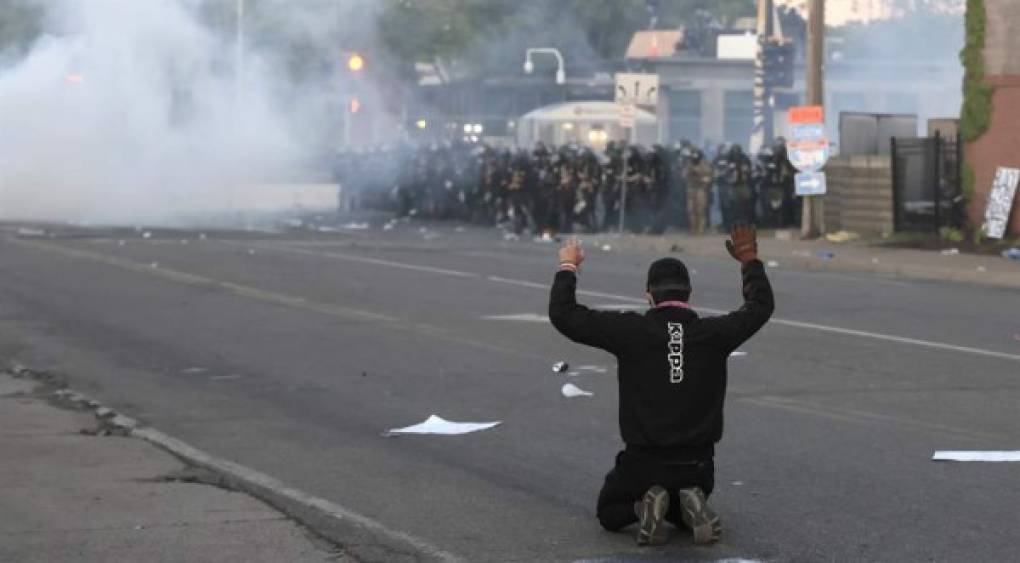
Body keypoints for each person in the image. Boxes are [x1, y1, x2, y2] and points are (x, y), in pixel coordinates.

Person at [548, 224, 774, 546]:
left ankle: (644, 505)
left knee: (610, 512)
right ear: (689, 296)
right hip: (697, 465)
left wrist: (568, 265)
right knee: (682, 517)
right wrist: (749, 260)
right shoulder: (714, 334)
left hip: (643, 462)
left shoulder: (630, 331)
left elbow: (564, 314)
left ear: (649, 296)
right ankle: (688, 502)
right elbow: (760, 307)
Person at [684, 148, 712, 235]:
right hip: (691, 189)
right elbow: (684, 176)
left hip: (701, 190)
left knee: (700, 210)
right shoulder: (688, 164)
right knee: (691, 210)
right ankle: (693, 229)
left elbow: (708, 178)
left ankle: (700, 229)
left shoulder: (705, 164)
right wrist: (690, 174)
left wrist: (700, 178)